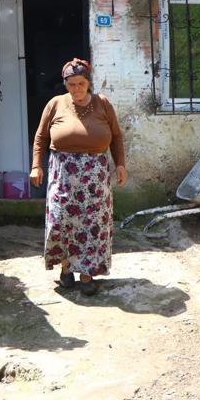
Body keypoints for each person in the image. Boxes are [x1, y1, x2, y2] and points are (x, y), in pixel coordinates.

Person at [30, 58, 127, 296]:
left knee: (93, 224)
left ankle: (87, 273)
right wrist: (36, 166)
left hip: (95, 176)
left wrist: (120, 165)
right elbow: (41, 137)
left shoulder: (103, 104)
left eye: (81, 83)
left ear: (88, 83)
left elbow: (116, 136)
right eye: (71, 84)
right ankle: (66, 268)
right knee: (61, 221)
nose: (76, 89)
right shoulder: (55, 104)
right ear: (65, 84)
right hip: (62, 174)